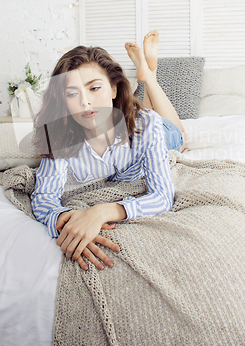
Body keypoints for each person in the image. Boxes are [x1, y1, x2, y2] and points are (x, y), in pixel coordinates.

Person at [31, 30, 187, 272]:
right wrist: (68, 221)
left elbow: (163, 196)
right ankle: (146, 78)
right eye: (72, 94)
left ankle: (150, 78)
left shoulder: (149, 126)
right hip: (130, 120)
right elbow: (44, 198)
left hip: (160, 133)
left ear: (114, 90)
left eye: (94, 88)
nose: (86, 103)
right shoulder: (60, 134)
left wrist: (103, 211)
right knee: (140, 114)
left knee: (180, 135)